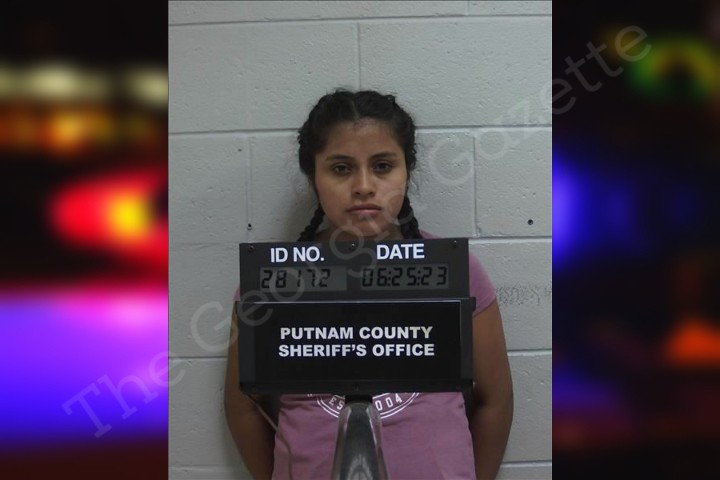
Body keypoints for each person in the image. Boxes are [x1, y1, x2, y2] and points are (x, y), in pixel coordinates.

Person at [224, 89, 513, 479]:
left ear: (406, 171)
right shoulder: (272, 279)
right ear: (314, 177)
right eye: (341, 168)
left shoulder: (458, 271)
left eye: (382, 166)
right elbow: (243, 406)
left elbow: (495, 401)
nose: (363, 185)